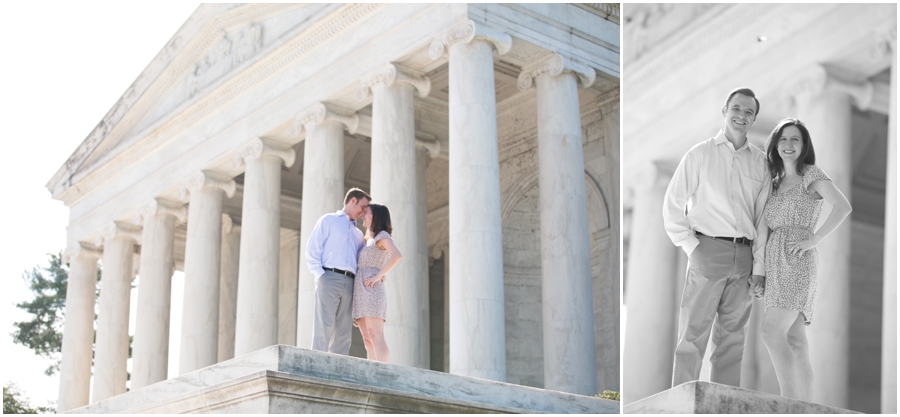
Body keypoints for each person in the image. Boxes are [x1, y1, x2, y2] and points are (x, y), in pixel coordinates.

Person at [663, 87, 770, 388]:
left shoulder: (761, 163)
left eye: (749, 112)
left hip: (746, 257)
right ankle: (682, 400)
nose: (742, 115)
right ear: (725, 111)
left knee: (734, 337)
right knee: (693, 332)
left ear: (753, 119)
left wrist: (759, 268)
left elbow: (762, 219)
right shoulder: (700, 154)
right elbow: (673, 204)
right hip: (707, 249)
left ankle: (722, 403)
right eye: (737, 108)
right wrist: (693, 247)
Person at [759, 118, 851, 401]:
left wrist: (816, 238)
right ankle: (806, 405)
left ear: (803, 145)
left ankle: (789, 401)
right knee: (795, 339)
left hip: (798, 259)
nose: (788, 145)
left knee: (771, 331)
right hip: (775, 262)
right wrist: (760, 270)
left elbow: (842, 206)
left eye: (795, 139)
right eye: (783, 139)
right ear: (775, 144)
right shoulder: (773, 183)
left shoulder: (811, 174)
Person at [306, 187, 371, 355]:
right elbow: (312, 249)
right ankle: (316, 366)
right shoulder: (329, 220)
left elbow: (363, 260)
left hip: (350, 282)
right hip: (329, 277)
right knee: (323, 326)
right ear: (353, 200)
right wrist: (321, 276)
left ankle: (337, 368)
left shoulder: (358, 234)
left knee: (344, 331)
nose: (363, 212)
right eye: (362, 207)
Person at [352, 203, 402, 363]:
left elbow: (397, 255)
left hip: (372, 290)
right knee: (367, 338)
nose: (362, 215)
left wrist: (380, 273)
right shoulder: (369, 239)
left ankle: (382, 373)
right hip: (361, 290)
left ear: (376, 217)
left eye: (366, 213)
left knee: (376, 335)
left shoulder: (382, 236)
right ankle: (372, 371)